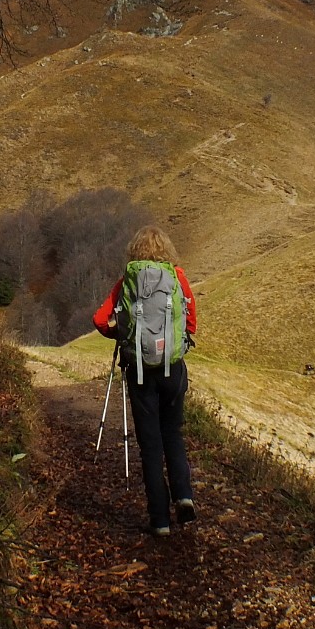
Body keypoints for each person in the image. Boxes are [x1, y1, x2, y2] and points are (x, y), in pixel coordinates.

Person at [93, 225, 198, 537]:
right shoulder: (177, 276)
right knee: (173, 435)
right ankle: (184, 496)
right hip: (173, 369)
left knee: (150, 446)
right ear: (166, 250)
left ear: (134, 252)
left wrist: (122, 333)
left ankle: (160, 520)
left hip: (139, 371)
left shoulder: (127, 280)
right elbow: (191, 320)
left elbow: (99, 320)